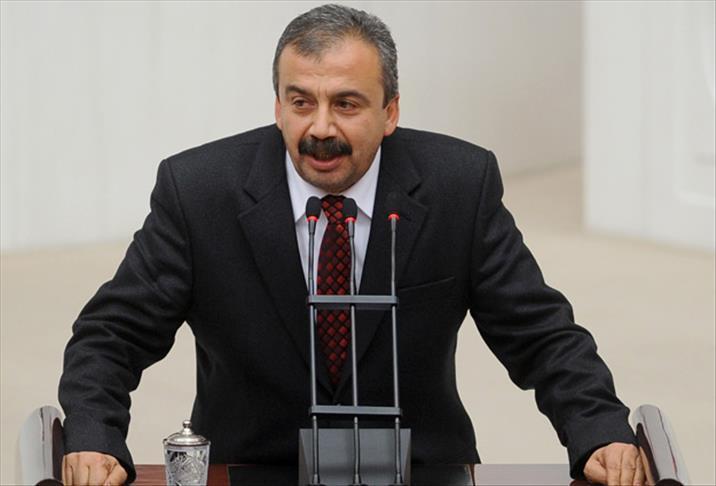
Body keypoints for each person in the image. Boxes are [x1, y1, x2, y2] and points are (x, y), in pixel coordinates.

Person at [59, 4, 644, 486]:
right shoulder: (197, 192)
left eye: (346, 104)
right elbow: (113, 334)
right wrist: (94, 436)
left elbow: (539, 333)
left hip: (421, 470)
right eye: (301, 102)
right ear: (278, 106)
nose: (320, 128)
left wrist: (598, 430)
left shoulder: (459, 186)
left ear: (390, 111)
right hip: (251, 469)